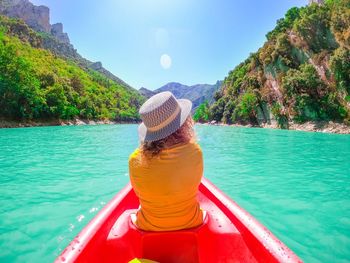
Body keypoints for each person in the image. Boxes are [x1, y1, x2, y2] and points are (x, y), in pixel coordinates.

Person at [128, 91, 204, 231]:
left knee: (133, 214)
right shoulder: (195, 151)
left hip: (149, 227)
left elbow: (137, 192)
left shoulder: (134, 160)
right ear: (184, 123)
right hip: (192, 222)